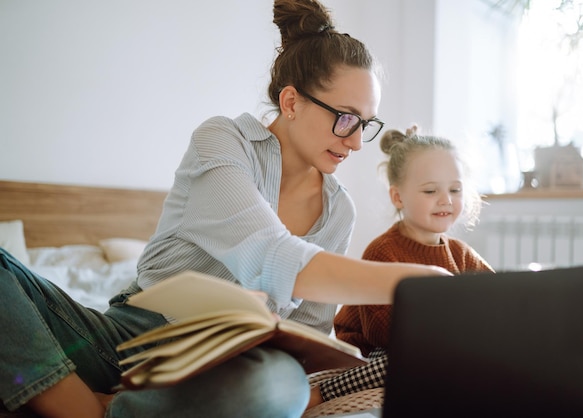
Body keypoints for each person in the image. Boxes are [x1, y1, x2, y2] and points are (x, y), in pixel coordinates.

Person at [0, 1, 451, 417]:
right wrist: (416, 282)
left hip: (220, 368)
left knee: (278, 386)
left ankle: (125, 408)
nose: (355, 142)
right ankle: (83, 407)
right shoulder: (221, 140)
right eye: (346, 118)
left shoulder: (339, 213)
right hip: (132, 339)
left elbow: (309, 338)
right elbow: (269, 252)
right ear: (291, 102)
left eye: (365, 125)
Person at [307, 125, 495, 410]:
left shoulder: (461, 254)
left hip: (434, 348)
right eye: (431, 190)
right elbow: (380, 333)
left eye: (455, 189)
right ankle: (322, 393)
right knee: (413, 358)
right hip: (374, 350)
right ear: (398, 197)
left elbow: (496, 297)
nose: (445, 199)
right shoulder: (383, 250)